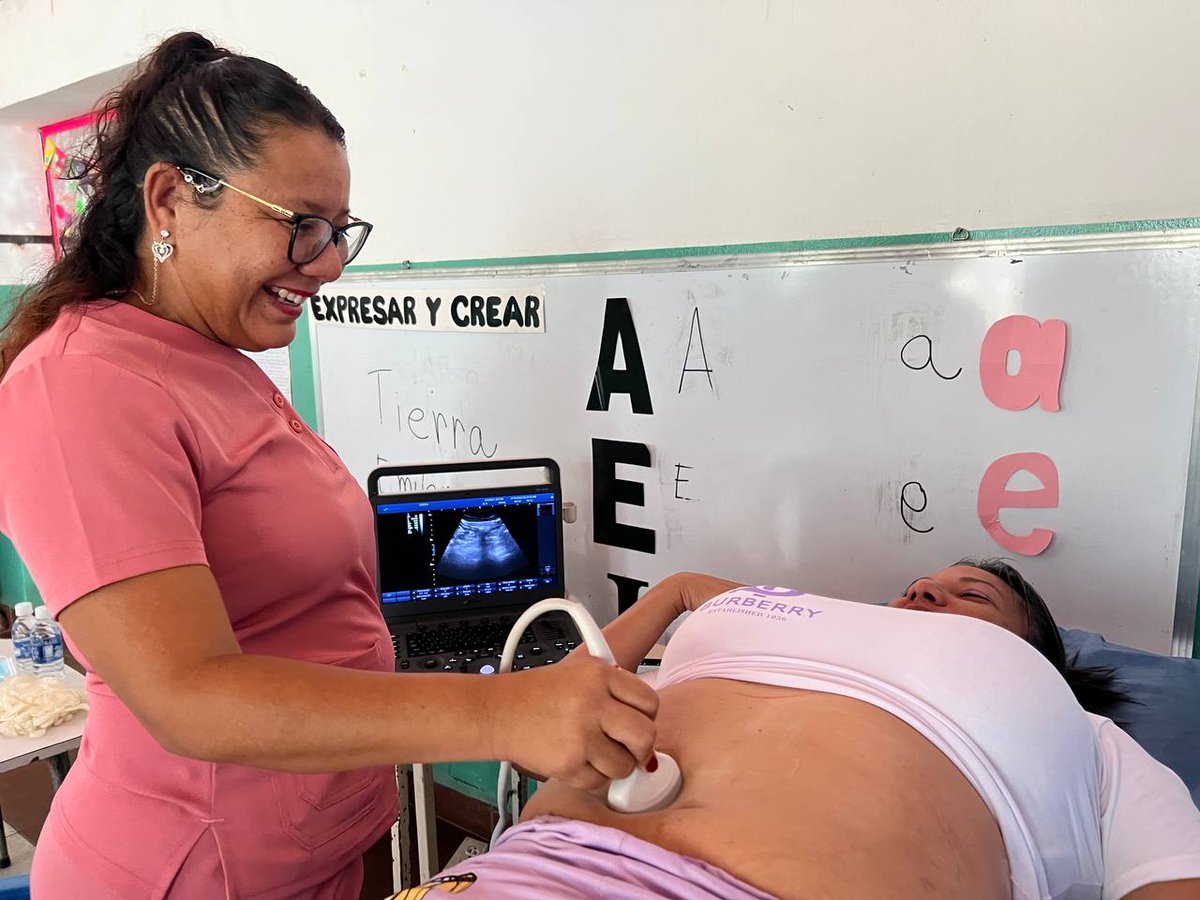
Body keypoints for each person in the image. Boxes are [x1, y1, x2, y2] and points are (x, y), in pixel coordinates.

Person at [0, 33, 658, 899]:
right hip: (194, 867)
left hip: (313, 842)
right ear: (168, 200)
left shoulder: (216, 363)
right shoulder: (77, 384)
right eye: (301, 226)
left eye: (340, 230)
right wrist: (504, 712)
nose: (332, 263)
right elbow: (187, 694)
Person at [417, 561, 1200, 900]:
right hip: (526, 872)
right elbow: (550, 698)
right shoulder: (748, 648)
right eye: (919, 584)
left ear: (1034, 660)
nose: (927, 589)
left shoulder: (1084, 735)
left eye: (974, 596)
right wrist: (680, 592)